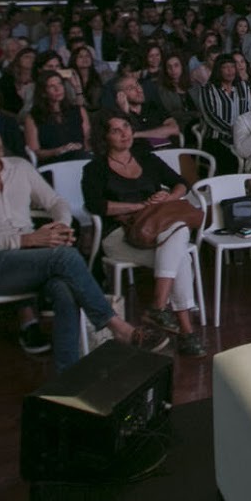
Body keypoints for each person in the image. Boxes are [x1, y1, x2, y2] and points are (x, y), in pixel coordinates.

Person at [0, 119, 169, 369]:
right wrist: (27, 239)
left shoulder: (19, 167)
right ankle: (118, 327)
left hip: (33, 257)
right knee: (65, 256)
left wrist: (60, 225)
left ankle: (66, 376)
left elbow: (56, 202)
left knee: (65, 288)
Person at [81, 115, 205, 358]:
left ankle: (159, 308)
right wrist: (138, 206)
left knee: (176, 239)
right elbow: (96, 205)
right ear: (104, 137)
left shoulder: (145, 157)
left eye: (126, 126)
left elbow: (180, 183)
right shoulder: (95, 168)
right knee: (179, 252)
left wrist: (166, 198)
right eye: (115, 130)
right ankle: (185, 331)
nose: (124, 133)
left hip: (157, 229)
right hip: (118, 235)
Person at [24, 70, 91, 165]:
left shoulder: (78, 111)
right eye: (52, 86)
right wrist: (57, 151)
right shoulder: (33, 117)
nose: (58, 89)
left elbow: (88, 141)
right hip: (53, 163)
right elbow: (35, 152)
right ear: (43, 92)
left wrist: (81, 147)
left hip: (80, 157)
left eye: (60, 84)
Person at [100, 72, 181, 149]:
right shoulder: (115, 115)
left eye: (138, 84)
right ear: (121, 95)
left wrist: (136, 134)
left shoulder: (152, 106)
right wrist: (125, 112)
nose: (139, 90)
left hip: (168, 151)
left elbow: (174, 129)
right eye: (131, 88)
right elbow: (125, 140)